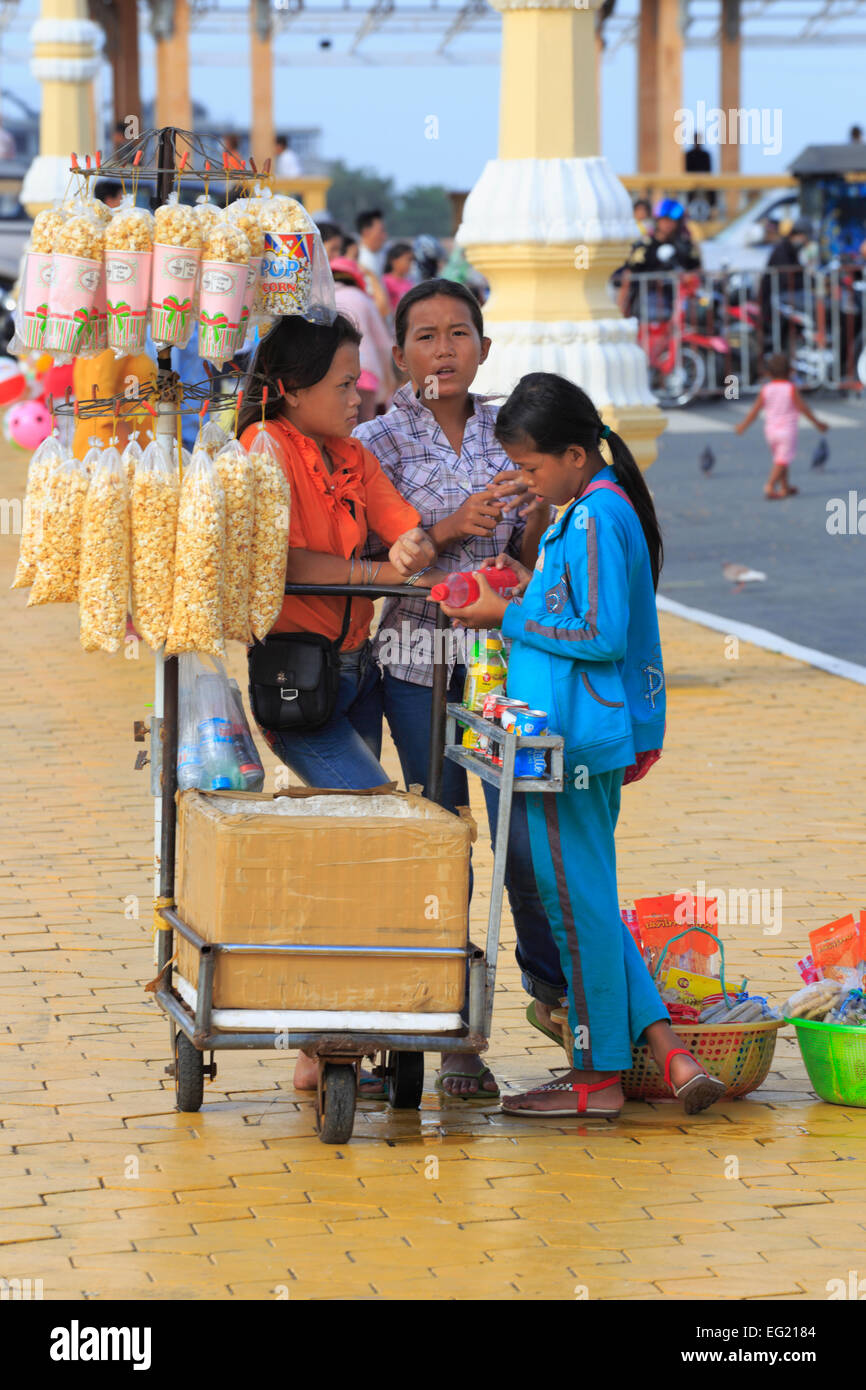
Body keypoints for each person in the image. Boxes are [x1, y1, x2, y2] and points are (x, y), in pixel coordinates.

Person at [434, 372, 726, 1118]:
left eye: (531, 470)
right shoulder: (586, 512)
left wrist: (507, 614)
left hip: (571, 740)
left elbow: (598, 636)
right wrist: (523, 588)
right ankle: (665, 1052)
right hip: (562, 733)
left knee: (577, 908)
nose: (527, 484)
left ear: (573, 454)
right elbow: (575, 607)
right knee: (586, 897)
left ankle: (596, 1079)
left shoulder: (597, 516)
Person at [354, 280, 566, 1101]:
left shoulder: (513, 428)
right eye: (425, 336)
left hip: (507, 664)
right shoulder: (375, 441)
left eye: (459, 334)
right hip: (417, 663)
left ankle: (557, 1004)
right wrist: (451, 527)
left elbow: (536, 536)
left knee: (523, 836)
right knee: (444, 843)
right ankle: (450, 1038)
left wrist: (532, 517)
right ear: (399, 353)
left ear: (484, 344)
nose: (444, 350)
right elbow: (371, 545)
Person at [237, 312, 438, 1096]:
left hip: (355, 673)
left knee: (347, 850)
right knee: (377, 818)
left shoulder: (351, 455)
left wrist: (413, 546)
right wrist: (384, 573)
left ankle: (324, 1044)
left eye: (358, 383)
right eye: (342, 386)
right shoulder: (263, 454)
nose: (358, 399)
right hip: (298, 681)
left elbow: (404, 531)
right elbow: (281, 558)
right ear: (290, 392)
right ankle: (330, 1032)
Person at [735, 351, 828, 498]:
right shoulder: (790, 388)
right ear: (790, 371)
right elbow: (803, 408)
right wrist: (818, 423)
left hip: (770, 432)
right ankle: (770, 485)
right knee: (782, 459)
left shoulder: (766, 389)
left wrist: (743, 426)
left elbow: (755, 411)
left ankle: (785, 486)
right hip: (787, 432)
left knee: (781, 459)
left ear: (768, 373)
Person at [329, 255, 395, 421]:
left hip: (331, 374)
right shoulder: (363, 299)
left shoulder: (323, 299)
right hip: (366, 373)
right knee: (364, 430)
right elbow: (383, 344)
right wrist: (389, 384)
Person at [617, 198, 701, 321]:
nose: (668, 224)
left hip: (680, 299)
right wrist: (621, 310)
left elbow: (696, 270)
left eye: (672, 221)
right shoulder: (644, 246)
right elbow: (628, 277)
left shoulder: (686, 246)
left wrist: (687, 278)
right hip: (649, 299)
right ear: (657, 221)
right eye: (664, 220)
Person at [684, 134, 716, 209]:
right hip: (692, 182)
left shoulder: (706, 155)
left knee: (712, 189)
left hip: (705, 181)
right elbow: (687, 171)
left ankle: (712, 208)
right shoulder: (689, 155)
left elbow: (709, 171)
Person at [382, 241, 414, 311]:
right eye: (408, 259)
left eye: (412, 260)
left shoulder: (409, 282)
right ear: (394, 260)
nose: (411, 263)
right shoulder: (385, 281)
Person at [356, 209, 387, 277]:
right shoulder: (362, 260)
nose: (384, 236)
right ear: (366, 231)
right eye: (381, 231)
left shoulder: (378, 256)